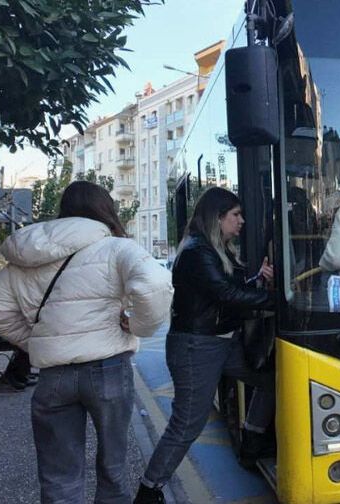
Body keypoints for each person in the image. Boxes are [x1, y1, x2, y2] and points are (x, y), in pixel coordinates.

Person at [0, 181, 173, 504]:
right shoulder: (116, 248)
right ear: (105, 210)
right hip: (109, 369)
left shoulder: (28, 255)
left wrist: (37, 342)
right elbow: (155, 284)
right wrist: (137, 326)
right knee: (113, 471)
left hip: (54, 376)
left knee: (59, 479)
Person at [135, 187, 275, 504]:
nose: (242, 221)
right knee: (187, 423)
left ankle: (252, 441)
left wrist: (258, 281)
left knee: (273, 379)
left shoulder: (214, 249)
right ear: (218, 216)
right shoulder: (198, 252)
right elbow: (226, 295)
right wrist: (280, 300)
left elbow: (228, 292)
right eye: (236, 215)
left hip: (222, 343)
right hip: (198, 348)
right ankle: (149, 490)